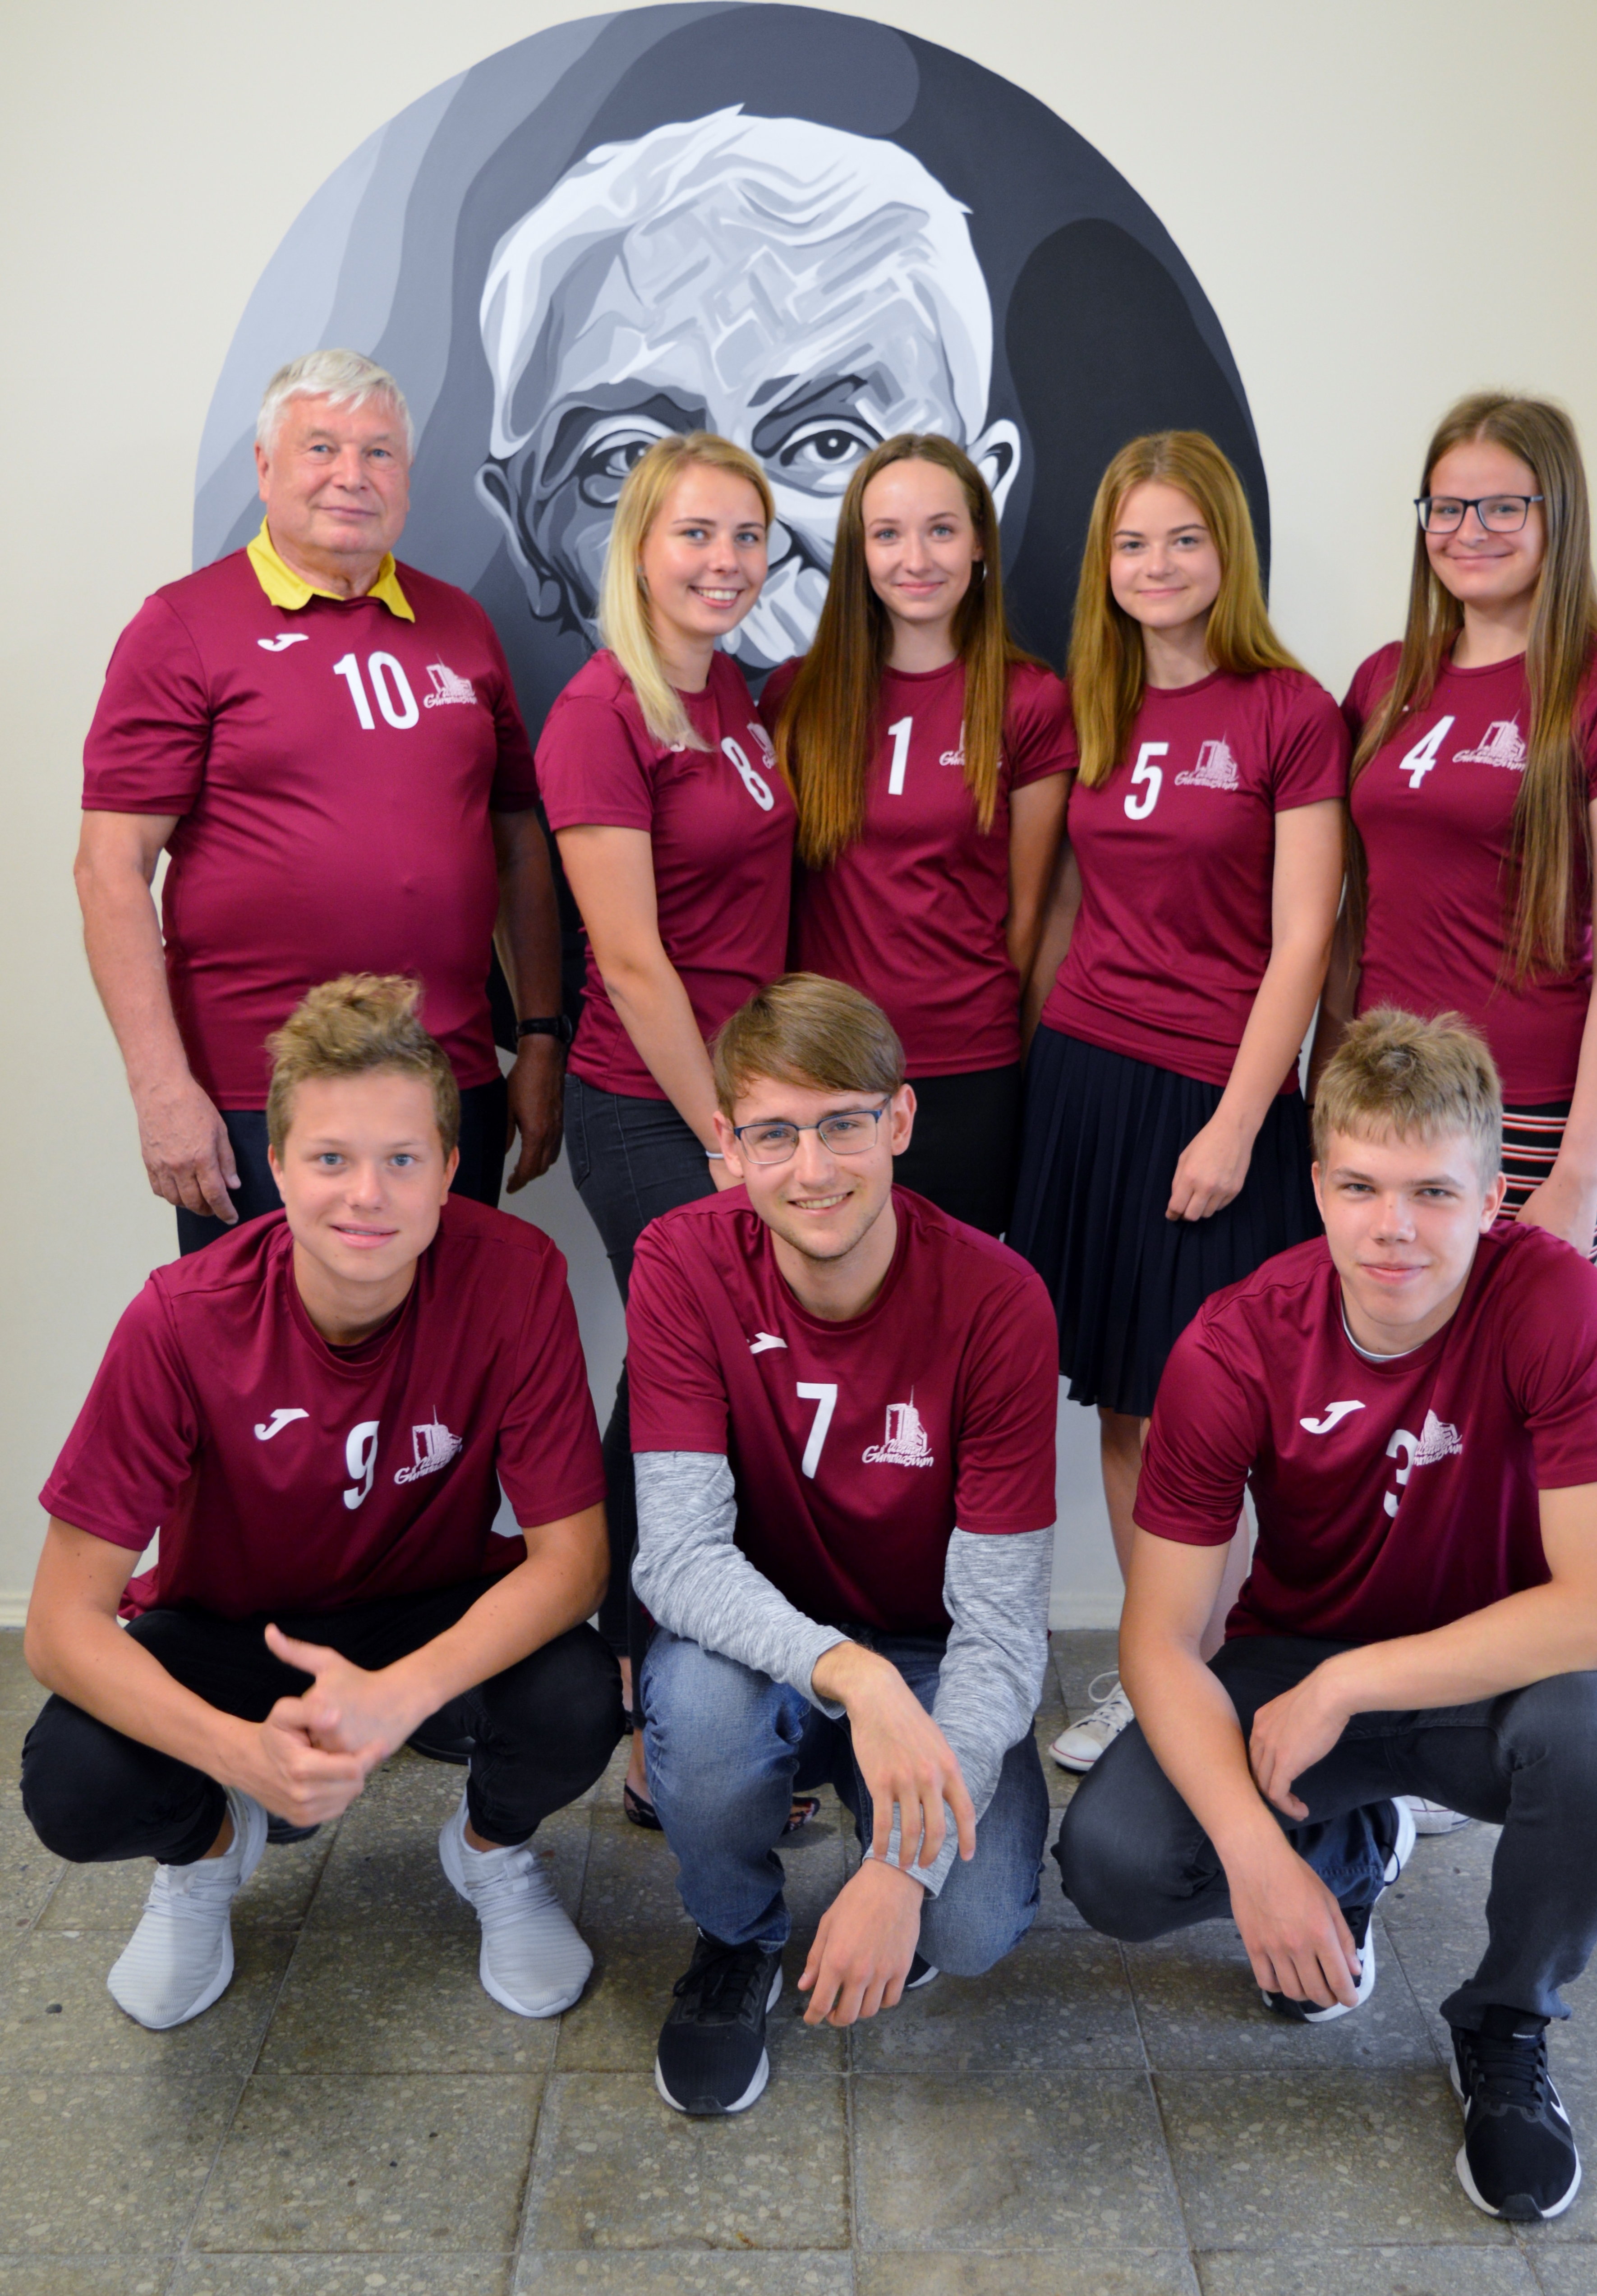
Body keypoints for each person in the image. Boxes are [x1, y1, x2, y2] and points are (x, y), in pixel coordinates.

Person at [1056, 1007, 1597, 2224]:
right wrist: (1257, 1858)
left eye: (1433, 1191)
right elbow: (1157, 1640)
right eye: (1361, 1187)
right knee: (1116, 1862)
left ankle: (1506, 2022)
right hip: (1295, 1660)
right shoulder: (1234, 1342)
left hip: (1497, 1673)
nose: (1394, 1226)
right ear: (1318, 1189)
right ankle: (1343, 1857)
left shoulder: (1558, 1305)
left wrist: (1354, 1684)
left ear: (1493, 1195)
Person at [20, 976, 622, 2031]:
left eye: (403, 1159)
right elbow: (61, 1626)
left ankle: (490, 1850)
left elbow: (571, 1562)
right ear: (280, 1166)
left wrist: (401, 1694)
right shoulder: (181, 1319)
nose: (367, 1195)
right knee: (74, 1782)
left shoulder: (517, 1276)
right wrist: (236, 1754)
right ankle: (207, 1853)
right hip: (231, 1627)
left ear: (450, 1170)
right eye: (332, 1158)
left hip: (424, 1606)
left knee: (579, 1693)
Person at [626, 974, 1059, 2114]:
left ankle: (887, 1836)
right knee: (700, 1709)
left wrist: (900, 1874)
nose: (812, 1168)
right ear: (727, 1146)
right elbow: (676, 1559)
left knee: (971, 1922)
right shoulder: (680, 1260)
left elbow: (1003, 1633)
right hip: (768, 1648)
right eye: (774, 1133)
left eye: (843, 1125)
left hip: (932, 1656)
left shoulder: (1000, 1299)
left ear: (899, 1119)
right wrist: (851, 1675)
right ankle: (736, 1937)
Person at [1008, 430, 1348, 1768]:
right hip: (1086, 1083)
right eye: (1132, 542)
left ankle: (1227, 1674)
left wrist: (1236, 1124)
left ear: (1226, 551)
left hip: (1215, 1095)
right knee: (1124, 1404)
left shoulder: (1290, 710)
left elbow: (1302, 940)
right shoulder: (1091, 703)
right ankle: (1163, 1676)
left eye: (1183, 539)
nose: (1156, 565)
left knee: (1212, 1409)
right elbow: (1067, 907)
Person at [76, 350, 568, 1256]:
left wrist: (538, 1034)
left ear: (407, 479)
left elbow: (516, 841)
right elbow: (111, 868)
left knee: (450, 1336)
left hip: (448, 1082)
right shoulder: (181, 627)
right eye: (321, 448)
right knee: (267, 1344)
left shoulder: (462, 625)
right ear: (265, 468)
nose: (352, 474)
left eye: (379, 453)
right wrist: (160, 1089)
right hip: (259, 1092)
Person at [533, 432, 797, 1828]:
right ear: (637, 548)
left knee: (702, 1389)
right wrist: (720, 1131)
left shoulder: (732, 693)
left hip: (742, 1103)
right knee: (683, 1397)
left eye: (747, 535)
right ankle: (647, 1718)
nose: (725, 560)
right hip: (651, 1108)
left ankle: (709, 1687)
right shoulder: (601, 713)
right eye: (697, 533)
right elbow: (631, 961)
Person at [1312, 392, 1597, 1263]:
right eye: (1446, 508)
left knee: (1505, 1351)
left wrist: (1577, 1175)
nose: (1468, 531)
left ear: (1559, 515)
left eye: (1502, 507)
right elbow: (1354, 915)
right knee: (1378, 1349)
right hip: (1375, 1101)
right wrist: (1320, 1088)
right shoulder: (1383, 681)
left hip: (1524, 1116)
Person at [476, 109, 1021, 682]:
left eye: (829, 444)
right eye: (631, 456)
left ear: (980, 504)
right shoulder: (599, 727)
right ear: (526, 535)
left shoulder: (1023, 715)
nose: (736, 553)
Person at [763, 434, 1076, 1234]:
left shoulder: (1029, 701)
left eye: (940, 530)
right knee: (828, 1289)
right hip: (824, 1066)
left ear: (978, 544)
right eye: (887, 534)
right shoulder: (797, 697)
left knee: (950, 1291)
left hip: (967, 1070)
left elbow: (1028, 915)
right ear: (858, 551)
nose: (915, 558)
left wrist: (972, 1027)